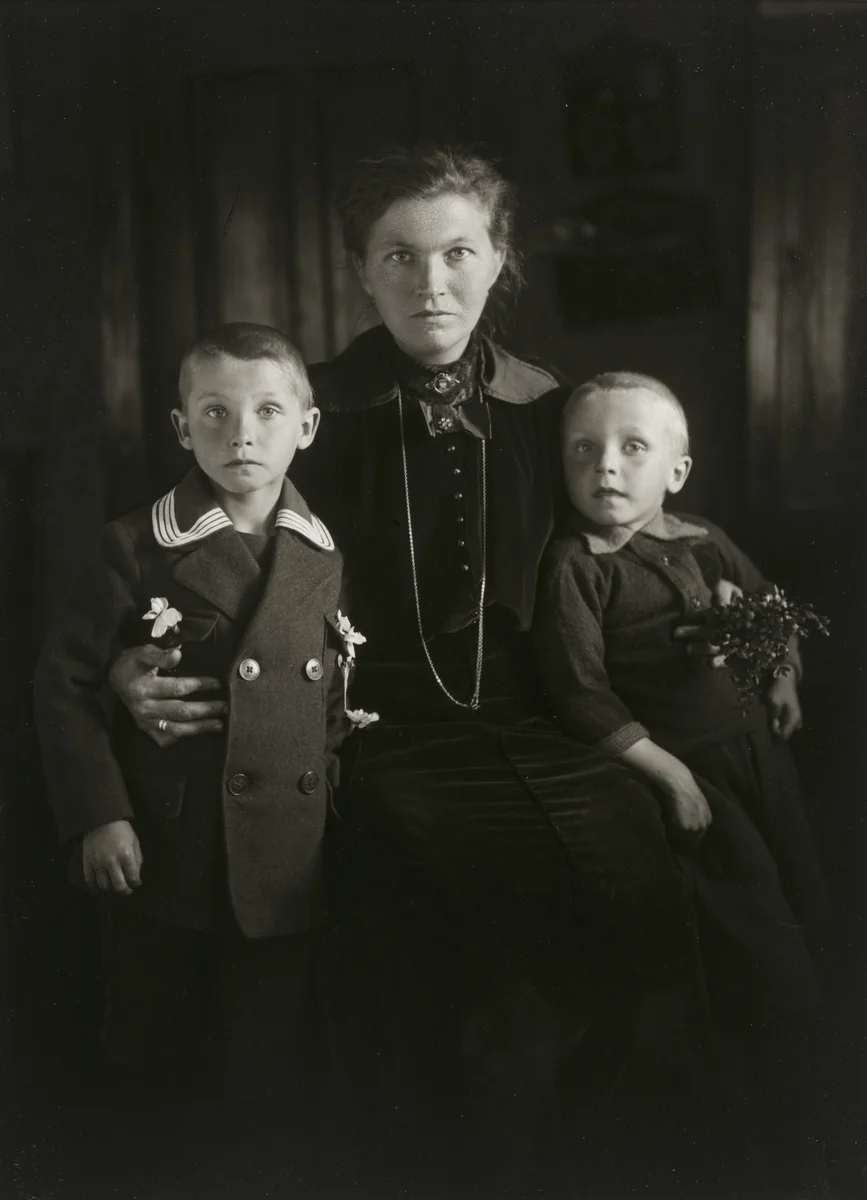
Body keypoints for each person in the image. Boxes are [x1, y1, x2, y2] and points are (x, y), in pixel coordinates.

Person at [105, 149, 741, 1196]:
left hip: (547, 717)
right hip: (371, 727)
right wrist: (137, 658)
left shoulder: (551, 408)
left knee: (643, 880)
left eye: (457, 252)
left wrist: (719, 603)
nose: (430, 282)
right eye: (399, 255)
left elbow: (636, 537)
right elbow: (193, 554)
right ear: (361, 269)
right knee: (444, 916)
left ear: (499, 262)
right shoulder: (307, 407)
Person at [33, 323, 361, 1194]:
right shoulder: (134, 545)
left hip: (290, 856)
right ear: (182, 430)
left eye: (265, 411)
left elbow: (335, 698)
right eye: (214, 413)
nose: (241, 434)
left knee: (270, 1072)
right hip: (167, 849)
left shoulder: (325, 556)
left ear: (307, 426)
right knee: (152, 1055)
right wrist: (100, 813)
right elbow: (62, 686)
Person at [532, 371, 830, 1191]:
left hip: (759, 762)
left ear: (676, 470)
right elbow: (575, 691)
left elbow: (769, 605)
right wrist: (665, 773)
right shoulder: (578, 566)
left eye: (633, 448)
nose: (606, 467)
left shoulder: (703, 537)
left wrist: (781, 675)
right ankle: (744, 1100)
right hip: (691, 773)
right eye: (583, 449)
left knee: (800, 899)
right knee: (746, 929)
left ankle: (808, 1092)